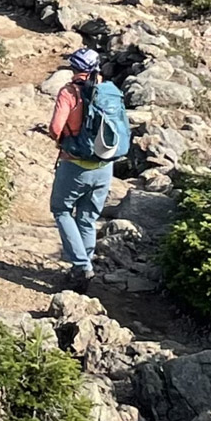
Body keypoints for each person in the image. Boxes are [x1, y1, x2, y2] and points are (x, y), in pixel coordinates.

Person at [47, 48, 129, 291]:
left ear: (74, 68)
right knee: (87, 218)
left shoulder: (69, 92)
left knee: (61, 210)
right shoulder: (110, 90)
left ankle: (81, 267)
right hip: (105, 165)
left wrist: (64, 140)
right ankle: (85, 266)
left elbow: (55, 128)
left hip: (75, 165)